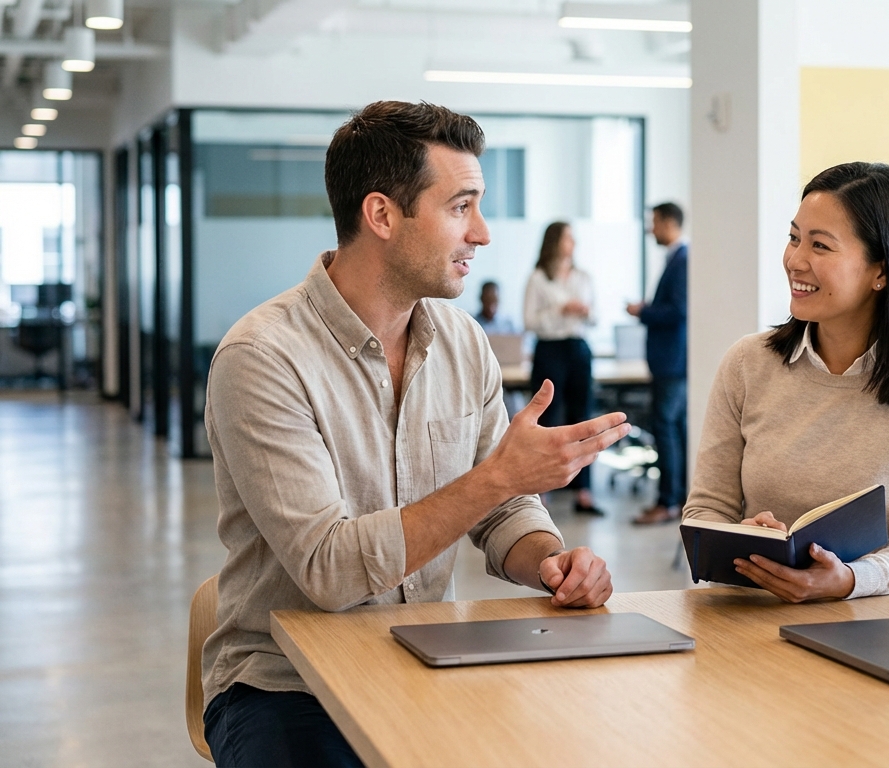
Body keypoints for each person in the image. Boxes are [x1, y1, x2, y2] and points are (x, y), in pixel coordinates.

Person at [200, 101, 630, 767]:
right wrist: (499, 477)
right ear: (381, 216)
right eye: (461, 207)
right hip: (285, 686)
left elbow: (503, 509)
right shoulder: (262, 358)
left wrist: (548, 558)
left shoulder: (461, 341)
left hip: (425, 653)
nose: (482, 234)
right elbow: (330, 570)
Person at [682, 162, 889, 602]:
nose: (795, 260)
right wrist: (740, 539)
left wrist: (850, 581)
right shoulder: (748, 362)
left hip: (870, 624)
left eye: (820, 245)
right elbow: (705, 512)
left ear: (882, 270)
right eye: (794, 237)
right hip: (750, 616)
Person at [524, 222, 603, 515]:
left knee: (582, 417)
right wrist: (560, 310)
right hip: (550, 349)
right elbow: (529, 321)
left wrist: (584, 311)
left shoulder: (583, 276)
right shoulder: (538, 278)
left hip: (578, 347)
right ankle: (540, 491)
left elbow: (596, 317)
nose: (573, 242)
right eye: (568, 237)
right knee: (546, 418)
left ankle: (584, 491)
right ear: (554, 241)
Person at [628, 202, 689, 525]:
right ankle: (676, 499)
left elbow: (679, 311)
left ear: (668, 222)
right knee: (673, 428)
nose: (651, 228)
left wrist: (644, 312)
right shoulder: (676, 259)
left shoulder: (681, 260)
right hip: (670, 362)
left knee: (666, 428)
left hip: (672, 362)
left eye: (654, 222)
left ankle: (668, 501)